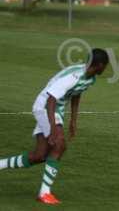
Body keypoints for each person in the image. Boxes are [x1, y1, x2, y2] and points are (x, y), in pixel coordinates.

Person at [0, 49, 109, 204]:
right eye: (105, 66)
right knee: (59, 145)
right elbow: (51, 99)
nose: (105, 69)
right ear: (99, 65)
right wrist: (52, 128)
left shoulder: (90, 79)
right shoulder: (74, 77)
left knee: (39, 155)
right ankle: (44, 193)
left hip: (56, 108)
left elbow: (77, 93)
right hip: (46, 105)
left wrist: (73, 120)